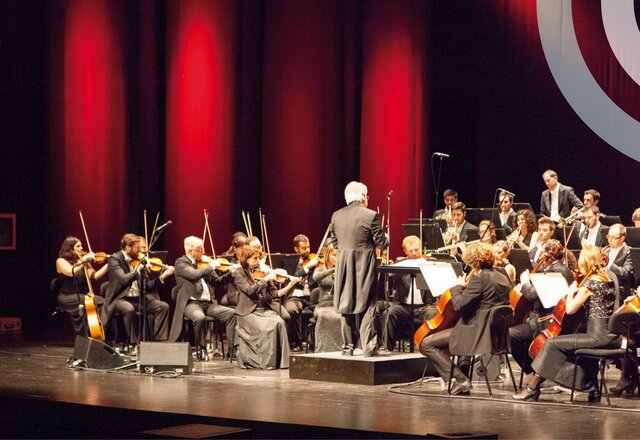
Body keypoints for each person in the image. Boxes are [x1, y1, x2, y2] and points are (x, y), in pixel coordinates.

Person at [514, 245, 618, 402]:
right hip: (609, 335)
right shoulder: (608, 280)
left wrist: (570, 292)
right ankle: (592, 387)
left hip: (596, 337)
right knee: (572, 347)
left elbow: (569, 309)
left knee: (552, 343)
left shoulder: (590, 284)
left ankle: (532, 388)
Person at [418, 242, 511, 394]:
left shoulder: (479, 279)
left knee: (427, 343)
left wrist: (458, 286)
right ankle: (459, 376)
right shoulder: (502, 276)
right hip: (496, 335)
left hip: (476, 333)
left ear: (475, 262)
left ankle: (460, 380)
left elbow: (458, 305)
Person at [331, 181, 388, 357]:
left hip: (343, 266)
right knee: (368, 304)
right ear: (363, 196)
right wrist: (386, 237)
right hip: (364, 265)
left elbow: (335, 243)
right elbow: (381, 243)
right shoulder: (371, 215)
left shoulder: (336, 215)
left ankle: (347, 348)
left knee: (346, 304)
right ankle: (368, 348)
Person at [509, 240, 575, 385]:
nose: (539, 257)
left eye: (542, 254)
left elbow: (532, 295)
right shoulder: (565, 269)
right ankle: (535, 370)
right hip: (555, 320)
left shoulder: (553, 272)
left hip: (545, 322)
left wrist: (525, 281)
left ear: (547, 256)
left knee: (509, 335)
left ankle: (531, 370)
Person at [169, 236, 237, 361]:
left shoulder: (203, 264)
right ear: (191, 251)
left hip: (208, 304)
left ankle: (233, 351)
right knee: (200, 318)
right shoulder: (180, 263)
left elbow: (217, 281)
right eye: (200, 249)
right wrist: (211, 266)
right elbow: (194, 275)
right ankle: (202, 349)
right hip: (191, 304)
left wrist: (230, 274)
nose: (204, 252)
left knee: (232, 314)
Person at [233, 246, 299, 369]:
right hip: (248, 312)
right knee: (268, 327)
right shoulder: (239, 273)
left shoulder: (262, 273)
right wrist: (265, 279)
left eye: (259, 258)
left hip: (263, 309)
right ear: (247, 259)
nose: (258, 261)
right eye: (255, 258)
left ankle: (282, 362)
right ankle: (267, 362)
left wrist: (290, 285)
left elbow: (275, 294)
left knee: (279, 322)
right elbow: (249, 290)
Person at [383, 235, 434, 350]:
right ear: (405, 251)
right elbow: (391, 274)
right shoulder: (401, 263)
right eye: (411, 251)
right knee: (390, 312)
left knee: (434, 315)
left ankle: (431, 347)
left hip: (423, 307)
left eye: (417, 249)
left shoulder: (428, 263)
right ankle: (387, 347)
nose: (415, 253)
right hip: (404, 306)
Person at [55, 237, 108, 337]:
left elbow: (95, 276)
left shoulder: (83, 261)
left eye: (81, 246)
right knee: (92, 301)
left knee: (104, 303)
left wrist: (108, 265)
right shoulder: (60, 261)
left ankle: (99, 332)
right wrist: (84, 260)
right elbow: (71, 272)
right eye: (78, 246)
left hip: (83, 296)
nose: (81, 248)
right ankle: (85, 336)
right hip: (67, 297)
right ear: (70, 249)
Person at [101, 233, 145, 347]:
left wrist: (157, 273)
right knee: (129, 309)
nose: (140, 250)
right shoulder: (114, 259)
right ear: (128, 248)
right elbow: (123, 279)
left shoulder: (138, 259)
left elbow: (148, 283)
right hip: (119, 298)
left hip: (135, 297)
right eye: (137, 247)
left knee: (161, 307)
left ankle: (160, 342)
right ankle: (134, 344)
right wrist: (137, 270)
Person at [136, 237, 172, 341]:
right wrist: (162, 276)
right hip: (136, 297)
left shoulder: (148, 263)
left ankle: (160, 340)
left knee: (163, 305)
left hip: (147, 296)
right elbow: (147, 286)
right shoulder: (136, 264)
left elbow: (150, 285)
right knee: (158, 302)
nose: (143, 250)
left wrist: (160, 273)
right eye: (140, 248)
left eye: (145, 247)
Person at [311, 243, 342, 352]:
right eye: (334, 255)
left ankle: (340, 350)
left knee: (343, 317)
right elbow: (315, 277)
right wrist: (332, 270)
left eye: (339, 255)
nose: (337, 258)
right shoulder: (320, 270)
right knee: (325, 316)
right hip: (323, 306)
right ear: (328, 255)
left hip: (338, 305)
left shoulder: (343, 271)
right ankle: (323, 350)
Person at [604, 224, 635, 302]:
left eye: (613, 237)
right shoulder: (605, 250)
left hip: (619, 289)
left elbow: (625, 273)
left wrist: (609, 263)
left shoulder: (629, 252)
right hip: (604, 284)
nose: (609, 240)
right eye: (608, 236)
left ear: (622, 239)